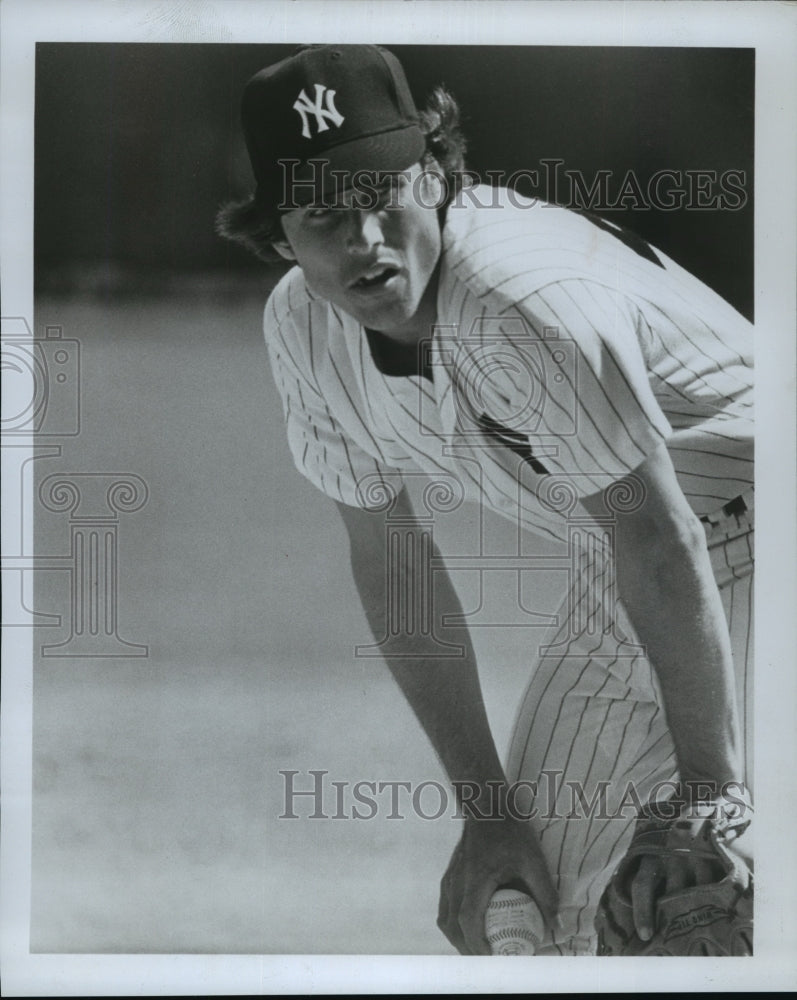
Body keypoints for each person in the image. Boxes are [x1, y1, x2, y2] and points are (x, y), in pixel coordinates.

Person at [217, 44, 754, 956]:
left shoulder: (519, 298)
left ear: (433, 177)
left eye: (380, 196)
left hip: (742, 524)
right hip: (637, 556)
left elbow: (661, 539)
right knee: (527, 891)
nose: (364, 243)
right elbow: (392, 560)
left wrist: (708, 794)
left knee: (677, 889)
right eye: (321, 215)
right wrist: (486, 811)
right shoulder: (301, 327)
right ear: (278, 239)